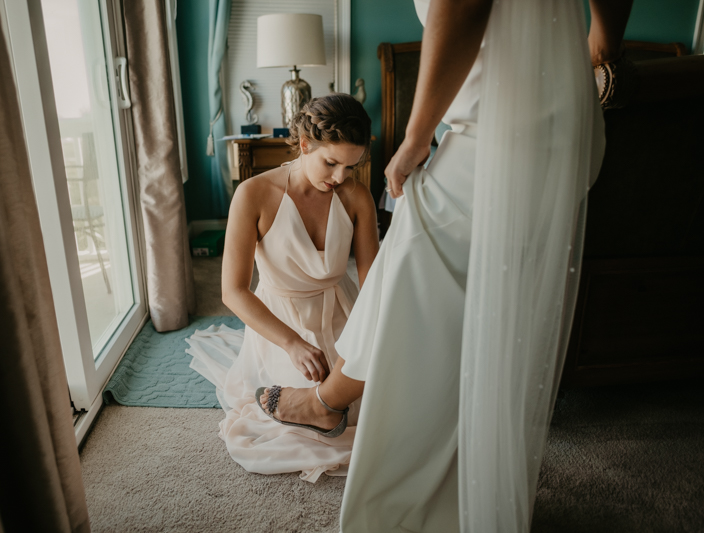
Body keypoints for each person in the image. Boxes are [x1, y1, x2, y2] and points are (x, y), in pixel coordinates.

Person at [258, 0, 632, 530]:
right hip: (569, 122)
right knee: (477, 305)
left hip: (500, 136)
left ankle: (333, 408)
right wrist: (603, 46)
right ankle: (342, 405)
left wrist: (414, 139)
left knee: (413, 278)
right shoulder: (260, 194)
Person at [185, 93, 378, 482]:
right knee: (286, 429)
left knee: (375, 408)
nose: (340, 177)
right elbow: (233, 291)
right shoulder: (254, 194)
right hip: (281, 320)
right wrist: (291, 342)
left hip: (343, 309)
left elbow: (373, 283)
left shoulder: (356, 195)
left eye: (351, 166)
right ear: (305, 145)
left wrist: (363, 337)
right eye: (331, 162)